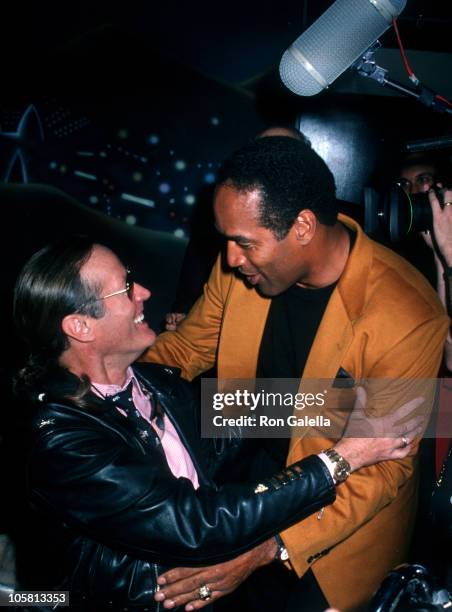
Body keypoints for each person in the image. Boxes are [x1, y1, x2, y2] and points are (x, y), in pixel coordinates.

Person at [10, 237, 419, 612]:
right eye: (126, 288)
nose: (144, 293)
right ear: (79, 326)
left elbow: (247, 414)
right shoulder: (60, 438)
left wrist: (360, 405)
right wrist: (342, 458)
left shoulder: (153, 385)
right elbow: (196, 521)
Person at [144, 137, 449, 611]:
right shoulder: (239, 270)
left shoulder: (407, 311)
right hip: (247, 479)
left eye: (245, 242)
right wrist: (105, 397)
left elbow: (385, 467)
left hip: (339, 527)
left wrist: (264, 547)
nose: (230, 259)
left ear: (303, 225)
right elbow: (184, 349)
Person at [165, 125, 307, 332]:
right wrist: (185, 317)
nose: (233, 259)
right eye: (263, 152)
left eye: (285, 153)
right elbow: (192, 332)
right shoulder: (222, 218)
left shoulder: (321, 231)